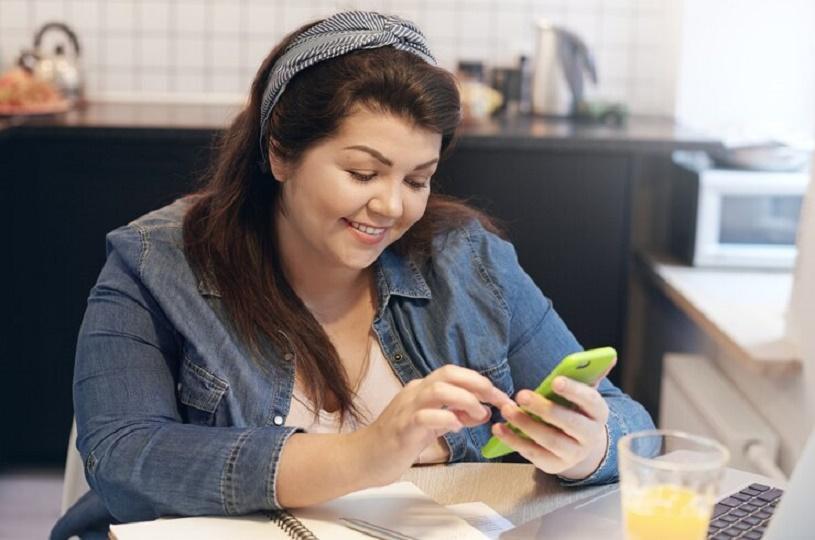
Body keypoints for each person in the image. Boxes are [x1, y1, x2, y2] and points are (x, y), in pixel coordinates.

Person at [52, 11, 654, 540]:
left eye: (417, 180)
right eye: (364, 173)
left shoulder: (467, 261)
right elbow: (125, 459)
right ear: (279, 153)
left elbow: (630, 428)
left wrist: (588, 447)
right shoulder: (157, 263)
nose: (392, 206)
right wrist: (363, 455)